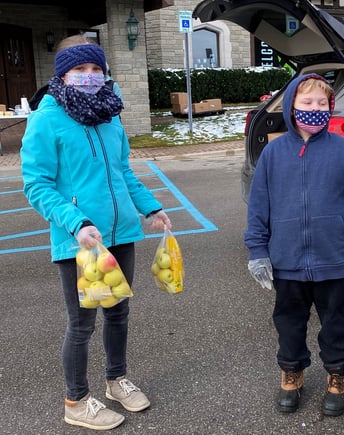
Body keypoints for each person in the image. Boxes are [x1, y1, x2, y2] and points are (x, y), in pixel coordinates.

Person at [20, 37, 171, 430]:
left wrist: (151, 207)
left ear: (105, 74)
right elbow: (37, 184)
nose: (89, 77)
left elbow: (122, 172)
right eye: (79, 70)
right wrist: (76, 222)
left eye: (95, 70)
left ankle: (116, 381)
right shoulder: (48, 117)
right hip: (81, 241)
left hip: (120, 233)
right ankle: (76, 401)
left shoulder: (110, 114)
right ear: (63, 75)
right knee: (83, 324)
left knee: (118, 312)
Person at [244, 73, 344, 417]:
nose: (314, 109)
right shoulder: (273, 153)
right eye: (307, 103)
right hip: (286, 260)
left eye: (322, 104)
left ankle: (338, 374)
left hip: (333, 259)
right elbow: (259, 206)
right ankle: (291, 372)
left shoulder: (342, 150)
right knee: (289, 321)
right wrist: (258, 251)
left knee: (335, 322)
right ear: (291, 106)